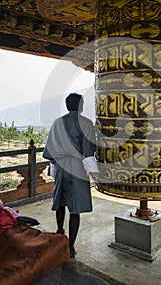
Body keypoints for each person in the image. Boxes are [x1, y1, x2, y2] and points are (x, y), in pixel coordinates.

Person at [43, 93, 99, 258]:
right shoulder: (86, 123)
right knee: (75, 210)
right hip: (77, 169)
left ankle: (60, 232)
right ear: (81, 105)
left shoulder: (57, 122)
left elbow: (50, 151)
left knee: (60, 203)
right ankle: (71, 247)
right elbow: (88, 154)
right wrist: (95, 175)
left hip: (60, 167)